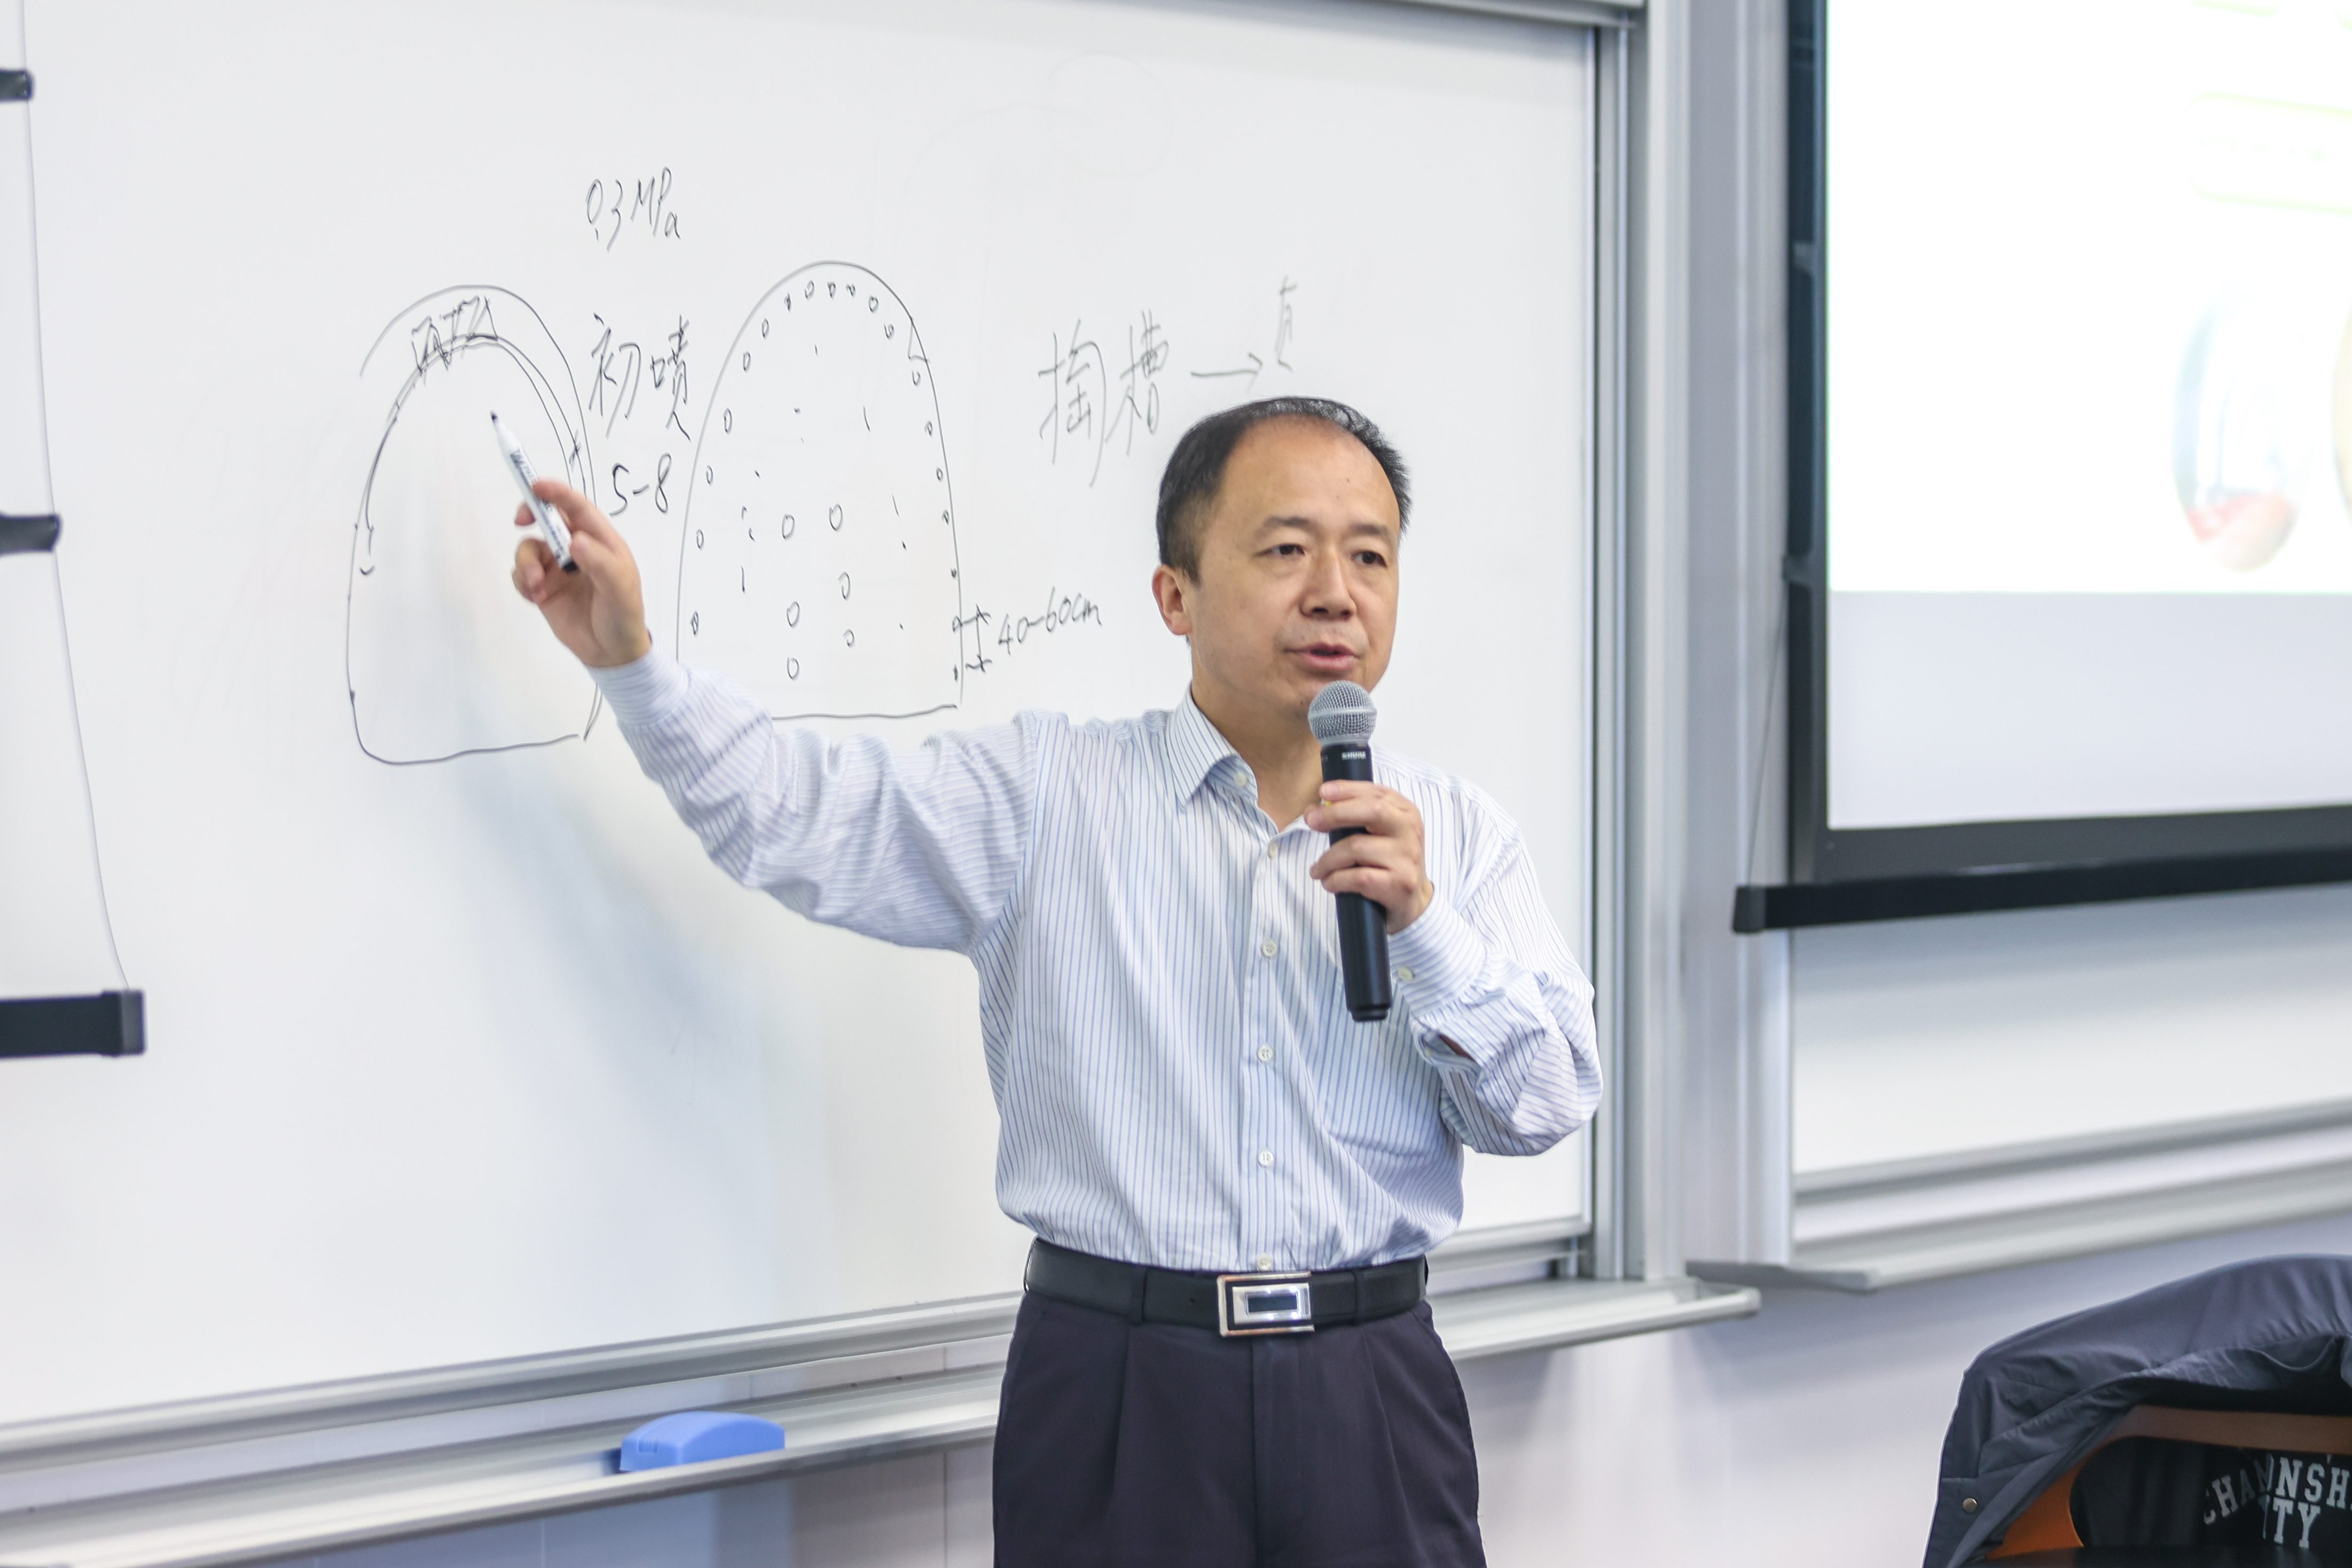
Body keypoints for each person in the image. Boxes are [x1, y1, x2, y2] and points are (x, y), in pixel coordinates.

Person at [512, 396, 1601, 1567]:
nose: (1336, 592)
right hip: (1119, 1389)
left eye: (1370, 557)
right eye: (1287, 548)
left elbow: (1544, 1106)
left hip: (1371, 1385)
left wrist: (1427, 930)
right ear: (1175, 595)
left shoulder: (1459, 837)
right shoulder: (1050, 797)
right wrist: (632, 664)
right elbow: (790, 813)